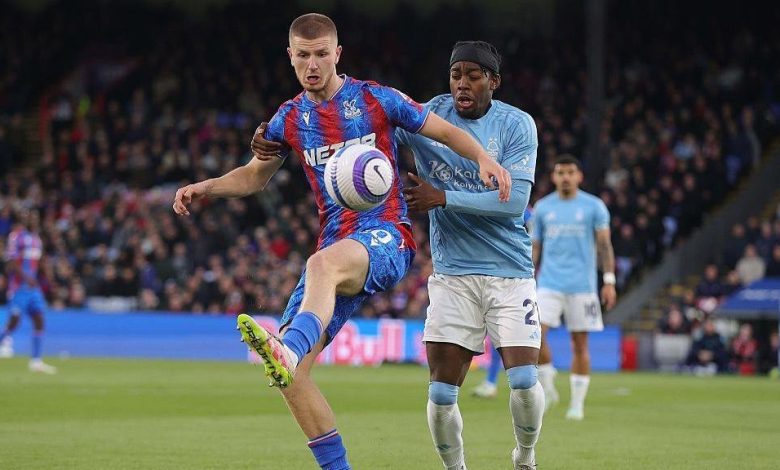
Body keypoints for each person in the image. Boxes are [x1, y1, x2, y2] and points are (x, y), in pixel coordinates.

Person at [173, 15, 510, 470]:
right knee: (291, 380)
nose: (312, 64)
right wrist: (206, 187)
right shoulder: (289, 118)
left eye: (321, 54)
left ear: (337, 54)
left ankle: (289, 347)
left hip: (388, 235)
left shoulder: (375, 98)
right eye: (303, 55)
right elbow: (254, 176)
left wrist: (485, 157)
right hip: (338, 243)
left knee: (318, 271)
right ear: (290, 56)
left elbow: (443, 130)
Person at [397, 40, 544, 470]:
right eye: (456, 74)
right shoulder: (428, 117)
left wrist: (443, 197)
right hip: (453, 275)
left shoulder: (517, 126)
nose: (462, 83)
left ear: (493, 82)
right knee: (442, 394)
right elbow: (376, 122)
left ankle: (525, 457)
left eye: (474, 76)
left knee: (523, 382)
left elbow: (513, 203)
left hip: (510, 273)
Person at [532, 155, 617, 421]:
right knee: (534, 336)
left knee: (580, 345)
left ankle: (577, 404)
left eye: (570, 172)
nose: (565, 177)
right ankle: (548, 387)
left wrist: (609, 281)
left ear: (579, 176)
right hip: (549, 283)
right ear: (554, 177)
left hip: (583, 286)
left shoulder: (594, 206)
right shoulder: (543, 208)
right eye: (560, 172)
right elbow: (535, 248)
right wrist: (525, 279)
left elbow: (604, 246)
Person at [472, 206, 535, 400]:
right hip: (491, 275)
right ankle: (492, 382)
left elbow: (534, 234)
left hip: (515, 279)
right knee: (497, 336)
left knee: (508, 336)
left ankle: (536, 380)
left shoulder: (522, 208)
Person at [0, 210, 57, 374]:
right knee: (14, 321)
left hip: (33, 288)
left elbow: (37, 263)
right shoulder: (17, 237)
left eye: (36, 218)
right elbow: (11, 263)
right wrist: (26, 278)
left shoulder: (37, 240)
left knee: (39, 319)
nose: (34, 220)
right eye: (30, 218)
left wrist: (47, 280)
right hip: (19, 287)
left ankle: (36, 361)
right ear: (25, 220)